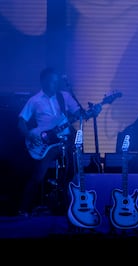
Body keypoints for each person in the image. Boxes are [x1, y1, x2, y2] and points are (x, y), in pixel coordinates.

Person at [17, 67, 101, 217]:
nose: (54, 85)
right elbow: (21, 121)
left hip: (64, 141)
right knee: (37, 176)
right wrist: (29, 135)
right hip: (44, 144)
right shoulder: (34, 100)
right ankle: (23, 209)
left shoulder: (65, 97)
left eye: (56, 82)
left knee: (72, 168)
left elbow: (78, 114)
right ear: (43, 81)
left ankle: (68, 206)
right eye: (50, 81)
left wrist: (92, 112)